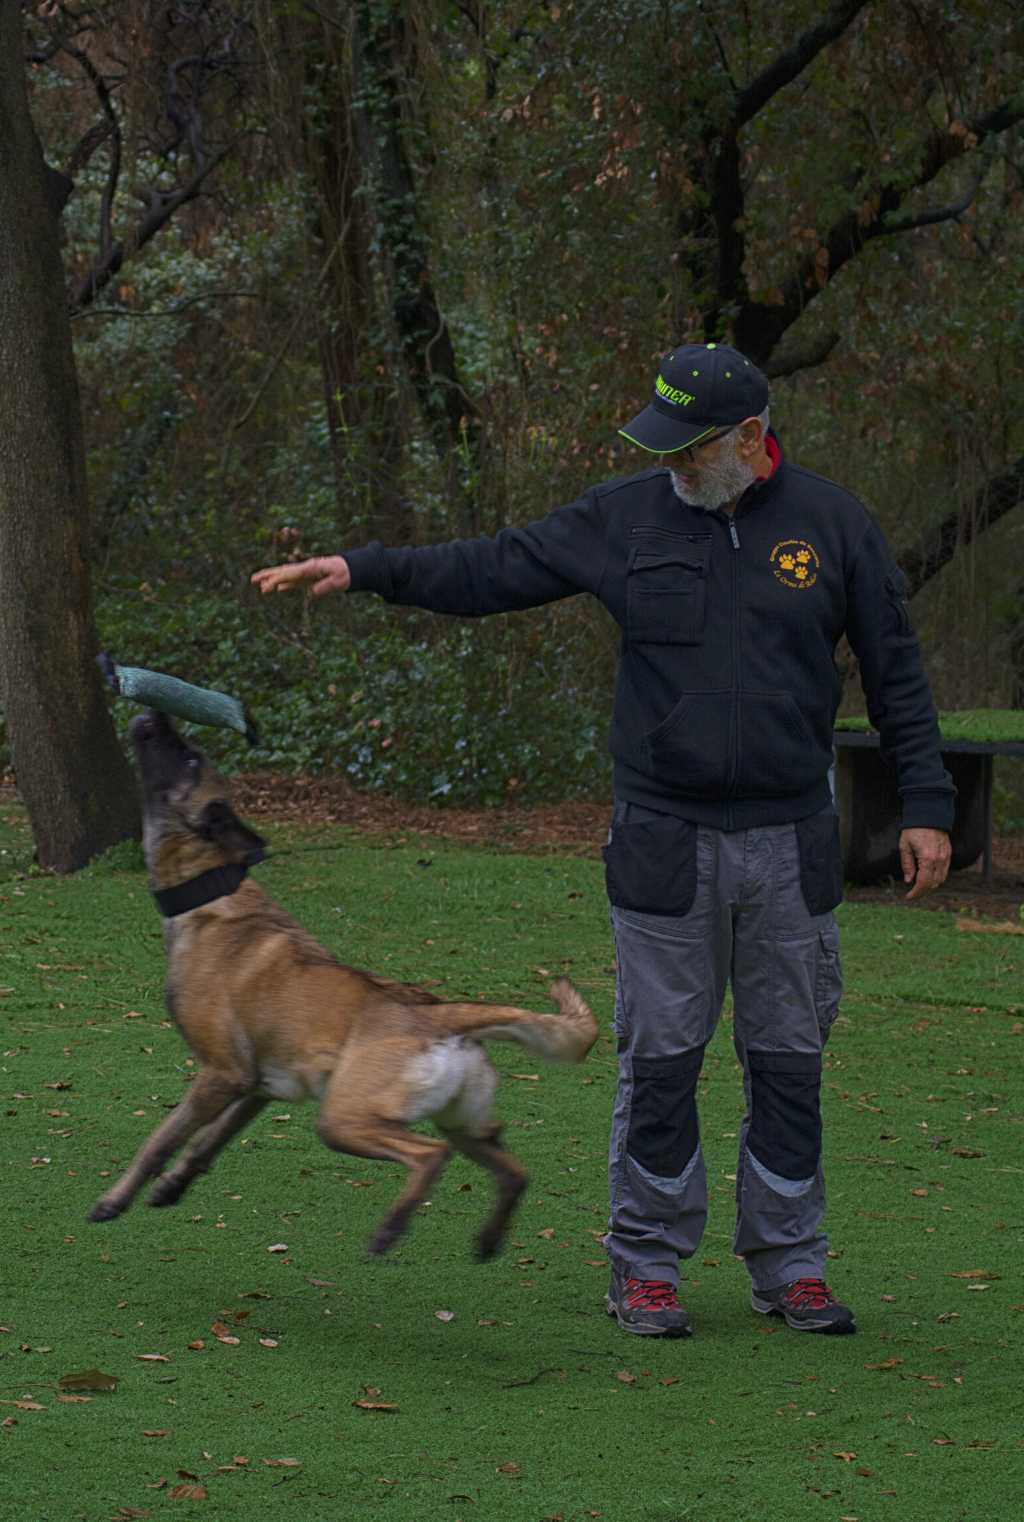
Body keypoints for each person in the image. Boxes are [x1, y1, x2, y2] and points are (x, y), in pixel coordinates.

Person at [252, 342, 954, 1339]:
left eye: (688, 451)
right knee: (662, 1059)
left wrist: (926, 802)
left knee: (788, 1058)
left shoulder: (833, 526)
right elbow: (492, 566)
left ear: (751, 439)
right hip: (663, 839)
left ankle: (790, 1262)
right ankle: (646, 1264)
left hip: (790, 843)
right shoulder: (623, 517)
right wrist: (364, 568)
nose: (670, 468)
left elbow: (897, 671)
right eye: (661, 450)